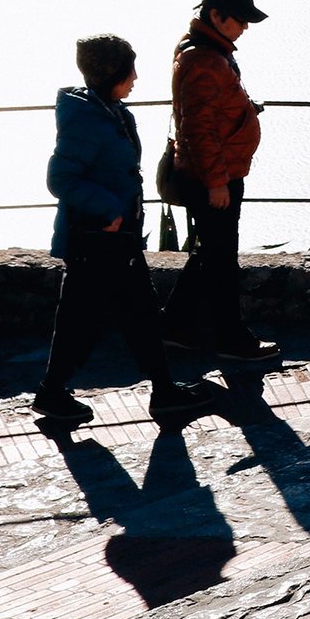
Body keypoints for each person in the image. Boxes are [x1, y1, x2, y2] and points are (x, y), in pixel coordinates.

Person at [34, 34, 211, 424]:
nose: (136, 77)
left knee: (129, 313)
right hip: (97, 238)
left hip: (112, 238)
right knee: (100, 318)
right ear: (112, 72)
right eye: (130, 69)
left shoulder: (109, 110)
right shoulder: (87, 119)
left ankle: (160, 391)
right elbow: (60, 178)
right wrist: (110, 209)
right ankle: (58, 393)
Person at [160, 0, 280, 361]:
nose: (244, 27)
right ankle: (234, 341)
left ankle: (174, 327)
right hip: (215, 177)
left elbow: (209, 114)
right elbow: (198, 129)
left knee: (209, 253)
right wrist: (216, 183)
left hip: (217, 172)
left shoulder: (206, 51)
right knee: (223, 260)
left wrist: (244, 111)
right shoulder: (204, 60)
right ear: (216, 16)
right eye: (240, 20)